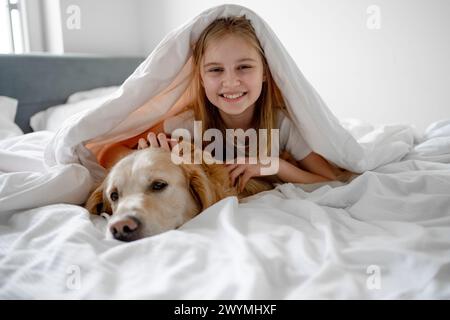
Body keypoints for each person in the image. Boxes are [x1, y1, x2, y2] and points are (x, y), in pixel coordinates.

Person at [99, 16, 345, 191]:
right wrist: (148, 155)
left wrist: (274, 165)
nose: (230, 82)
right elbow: (108, 152)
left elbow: (328, 180)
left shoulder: (281, 124)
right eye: (216, 70)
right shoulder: (186, 124)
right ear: (202, 79)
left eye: (244, 67)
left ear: (265, 73)